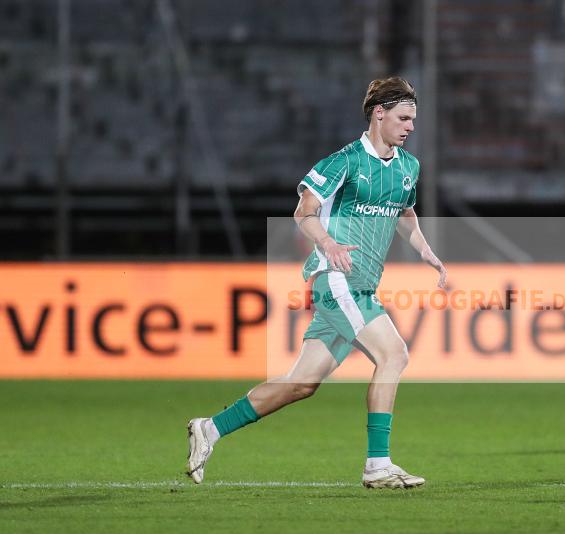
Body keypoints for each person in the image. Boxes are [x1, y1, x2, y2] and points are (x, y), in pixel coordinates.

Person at [186, 77, 447, 489]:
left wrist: (426, 252)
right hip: (337, 280)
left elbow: (405, 214)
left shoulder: (408, 167)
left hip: (363, 285)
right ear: (378, 113)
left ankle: (210, 428)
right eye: (403, 117)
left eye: (413, 118)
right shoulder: (343, 161)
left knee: (300, 384)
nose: (411, 126)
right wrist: (327, 242)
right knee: (394, 354)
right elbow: (303, 211)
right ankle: (377, 465)